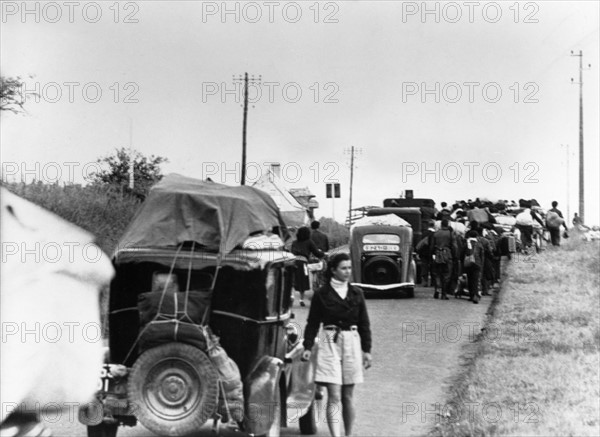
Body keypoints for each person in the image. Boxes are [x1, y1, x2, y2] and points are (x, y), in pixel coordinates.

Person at [301, 253, 372, 437]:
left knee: (347, 396)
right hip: (329, 339)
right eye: (343, 268)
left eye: (349, 268)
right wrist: (308, 347)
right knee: (334, 394)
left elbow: (364, 324)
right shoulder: (321, 294)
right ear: (333, 270)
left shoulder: (357, 293)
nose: (347, 271)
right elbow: (313, 323)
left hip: (351, 340)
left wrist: (367, 351)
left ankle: (348, 434)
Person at [291, 226, 324, 306]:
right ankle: (301, 300)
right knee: (302, 281)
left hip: (293, 262)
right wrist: (323, 254)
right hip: (303, 263)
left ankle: (291, 296)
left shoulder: (294, 242)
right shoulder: (309, 242)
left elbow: (291, 252)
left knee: (293, 281)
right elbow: (316, 252)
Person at [429, 219, 457, 300]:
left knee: (436, 273)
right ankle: (444, 294)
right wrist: (455, 256)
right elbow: (454, 246)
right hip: (447, 255)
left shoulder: (436, 233)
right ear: (447, 224)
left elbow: (431, 246)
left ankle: (437, 289)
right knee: (446, 274)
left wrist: (431, 255)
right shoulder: (450, 234)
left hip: (437, 254)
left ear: (441, 225)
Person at [463, 229, 485, 304]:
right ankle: (475, 296)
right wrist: (481, 264)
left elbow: (462, 253)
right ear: (477, 236)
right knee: (475, 280)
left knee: (469, 279)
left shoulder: (467, 243)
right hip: (477, 263)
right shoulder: (479, 244)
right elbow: (482, 255)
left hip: (468, 263)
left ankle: (471, 295)